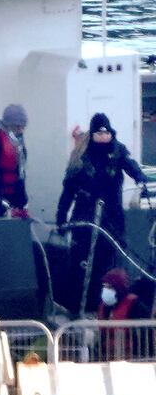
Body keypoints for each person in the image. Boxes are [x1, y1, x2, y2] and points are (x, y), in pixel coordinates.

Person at [56, 113, 148, 311]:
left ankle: (105, 306)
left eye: (106, 132)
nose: (103, 136)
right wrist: (61, 218)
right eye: (99, 132)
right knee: (83, 263)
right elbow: (68, 191)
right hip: (85, 219)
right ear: (93, 133)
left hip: (111, 219)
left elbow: (131, 166)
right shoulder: (81, 157)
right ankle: (80, 305)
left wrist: (140, 178)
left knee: (108, 263)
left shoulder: (118, 151)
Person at [96, 268, 150, 360]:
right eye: (104, 286)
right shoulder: (105, 306)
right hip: (107, 355)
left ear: (119, 288)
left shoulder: (135, 305)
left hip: (131, 356)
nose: (105, 290)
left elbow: (144, 335)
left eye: (109, 287)